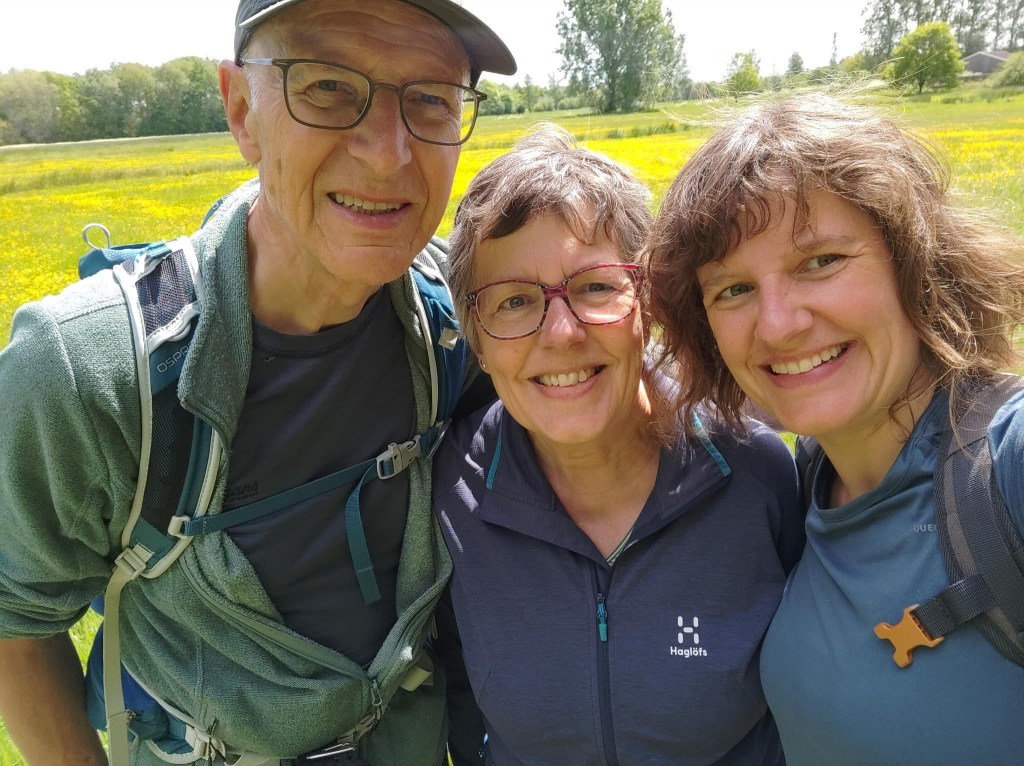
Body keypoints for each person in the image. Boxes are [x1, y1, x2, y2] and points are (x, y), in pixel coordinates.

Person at [0, 1, 515, 764]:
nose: (388, 153)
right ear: (242, 110)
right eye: (329, 87)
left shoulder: (463, 312)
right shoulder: (87, 370)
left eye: (432, 98)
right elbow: (16, 627)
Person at [645, 92, 1024, 765]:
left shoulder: (1005, 467)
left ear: (915, 260)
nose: (778, 325)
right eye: (733, 289)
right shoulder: (806, 479)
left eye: (820, 261)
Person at [431, 124, 805, 765]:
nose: (562, 333)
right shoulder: (450, 490)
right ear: (478, 340)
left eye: (596, 286)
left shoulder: (754, 472)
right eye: (514, 301)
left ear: (647, 305)